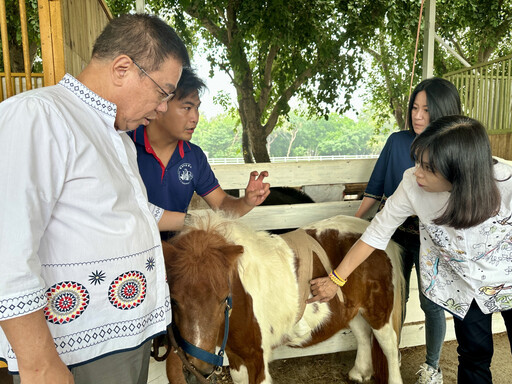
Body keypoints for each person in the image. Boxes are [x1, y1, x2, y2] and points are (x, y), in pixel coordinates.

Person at [0, 14, 190, 384]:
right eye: (163, 91)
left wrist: (202, 221)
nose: (164, 107)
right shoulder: (38, 115)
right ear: (123, 68)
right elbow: (6, 248)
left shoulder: (117, 136)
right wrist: (40, 365)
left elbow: (132, 213)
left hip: (122, 338)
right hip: (74, 350)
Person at [309, 115, 512, 384]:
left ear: (461, 171)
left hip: (508, 274)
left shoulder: (506, 184)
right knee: (474, 354)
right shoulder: (411, 185)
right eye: (417, 160)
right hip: (463, 284)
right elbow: (376, 234)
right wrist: (337, 279)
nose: (417, 171)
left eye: (428, 168)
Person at [354, 77, 461, 384]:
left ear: (441, 111)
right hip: (393, 235)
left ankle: (432, 367)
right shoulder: (396, 142)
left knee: (431, 303)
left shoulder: (453, 149)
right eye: (415, 108)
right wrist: (354, 225)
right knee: (391, 299)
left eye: (426, 110)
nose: (418, 116)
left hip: (433, 239)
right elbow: (374, 191)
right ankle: (391, 357)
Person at [128, 66, 270, 238]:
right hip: (133, 252)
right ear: (161, 104)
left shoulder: (194, 156)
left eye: (197, 108)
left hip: (177, 254)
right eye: (187, 108)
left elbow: (222, 204)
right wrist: (191, 222)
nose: (195, 117)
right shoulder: (125, 145)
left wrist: (246, 202)